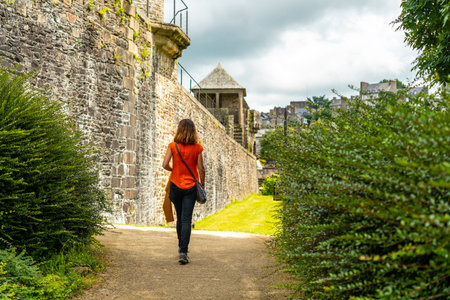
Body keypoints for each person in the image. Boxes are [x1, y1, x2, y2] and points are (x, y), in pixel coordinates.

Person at [162, 119, 205, 265]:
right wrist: (202, 185)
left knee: (180, 218)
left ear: (179, 129)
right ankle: (183, 251)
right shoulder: (197, 147)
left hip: (175, 185)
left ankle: (181, 246)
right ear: (193, 131)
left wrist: (175, 170)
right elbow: (201, 168)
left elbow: (164, 164)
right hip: (191, 187)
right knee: (187, 219)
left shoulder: (172, 146)